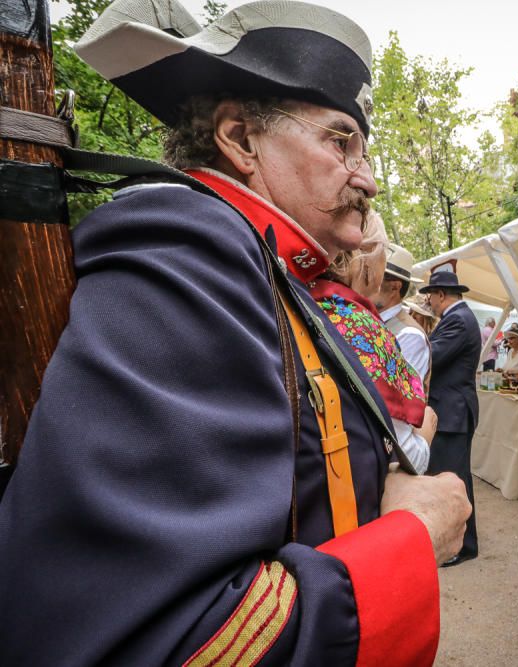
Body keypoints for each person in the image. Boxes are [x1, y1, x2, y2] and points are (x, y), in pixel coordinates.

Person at [0, 2, 471, 664]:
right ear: (241, 140)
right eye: (340, 141)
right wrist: (407, 539)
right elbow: (162, 635)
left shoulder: (268, 266)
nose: (368, 178)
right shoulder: (193, 249)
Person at [312, 213, 436, 474]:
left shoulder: (302, 299)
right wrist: (425, 437)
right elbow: (405, 454)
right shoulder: (366, 331)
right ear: (365, 260)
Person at [420, 271, 483, 565]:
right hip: (452, 410)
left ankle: (463, 545)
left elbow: (432, 356)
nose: (429, 302)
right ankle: (460, 541)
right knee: (454, 479)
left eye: (430, 296)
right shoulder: (459, 318)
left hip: (452, 411)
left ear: (441, 294)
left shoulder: (457, 320)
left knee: (453, 481)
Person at [377, 242, 432, 383]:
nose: (368, 282)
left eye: (375, 278)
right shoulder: (371, 320)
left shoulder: (410, 335)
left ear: (395, 287)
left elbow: (401, 395)